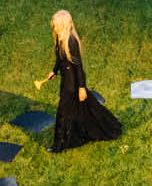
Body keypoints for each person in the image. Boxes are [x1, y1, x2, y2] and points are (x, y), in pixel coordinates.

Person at [33, 10, 122, 152]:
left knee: (63, 113)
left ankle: (58, 146)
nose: (54, 28)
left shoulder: (71, 42)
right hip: (66, 82)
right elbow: (60, 59)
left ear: (64, 25)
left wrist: (82, 88)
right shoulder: (59, 38)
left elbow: (79, 68)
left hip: (73, 85)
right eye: (53, 25)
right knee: (87, 108)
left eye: (56, 25)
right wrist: (54, 71)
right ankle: (103, 128)